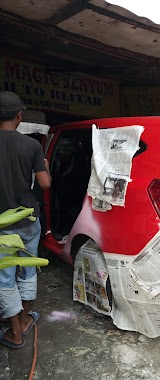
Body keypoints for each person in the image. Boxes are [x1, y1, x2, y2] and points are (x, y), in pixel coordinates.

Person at [0, 91, 51, 349]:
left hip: (2, 226)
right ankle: (25, 318)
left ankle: (15, 332)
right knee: (28, 268)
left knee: (4, 277)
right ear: (19, 116)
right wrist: (44, 166)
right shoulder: (32, 146)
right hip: (28, 219)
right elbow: (45, 183)